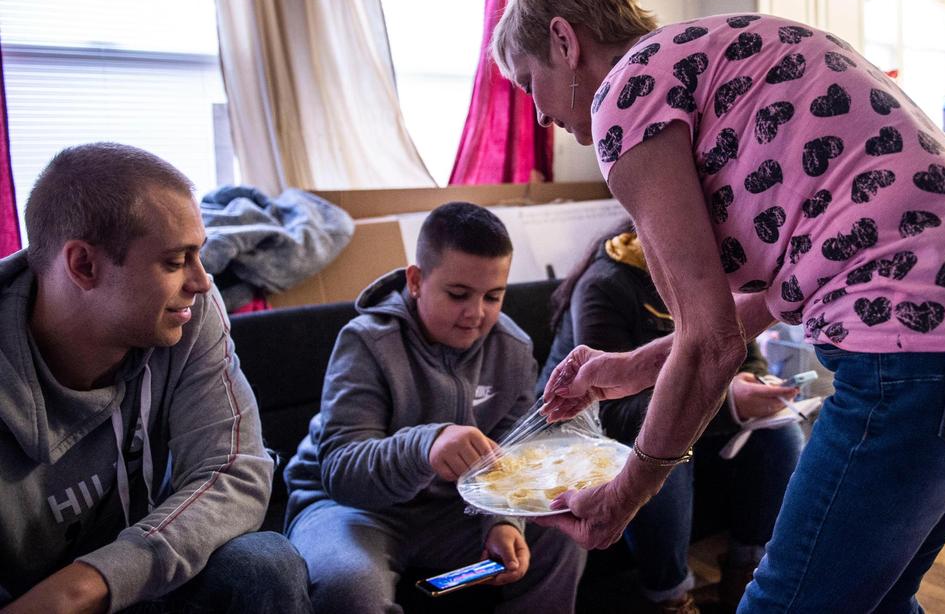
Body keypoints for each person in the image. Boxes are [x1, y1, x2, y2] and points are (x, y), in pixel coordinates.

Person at [495, 0, 945, 613]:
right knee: (876, 599)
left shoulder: (625, 96)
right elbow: (767, 297)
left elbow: (709, 344)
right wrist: (634, 366)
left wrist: (626, 493)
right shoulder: (729, 45)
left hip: (922, 346)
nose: (539, 115)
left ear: (564, 40)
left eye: (529, 82)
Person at [0, 143, 311, 614]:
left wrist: (86, 585)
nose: (202, 281)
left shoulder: (188, 313)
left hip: (133, 579)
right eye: (175, 261)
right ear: (83, 265)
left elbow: (236, 472)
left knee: (263, 565)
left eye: (198, 254)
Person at [283, 201, 586, 614]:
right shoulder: (366, 342)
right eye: (458, 294)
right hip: (352, 510)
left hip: (454, 509)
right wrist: (426, 446)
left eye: (494, 296)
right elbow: (342, 473)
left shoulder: (513, 349)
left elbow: (514, 455)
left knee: (564, 533)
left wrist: (502, 520)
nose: (476, 313)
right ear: (416, 281)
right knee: (348, 585)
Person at [537, 221, 803, 613]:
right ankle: (669, 596)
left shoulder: (719, 273)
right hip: (599, 432)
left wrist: (755, 383)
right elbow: (609, 414)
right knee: (663, 448)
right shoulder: (605, 286)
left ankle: (747, 570)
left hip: (688, 415)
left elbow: (742, 350)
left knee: (780, 434)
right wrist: (729, 403)